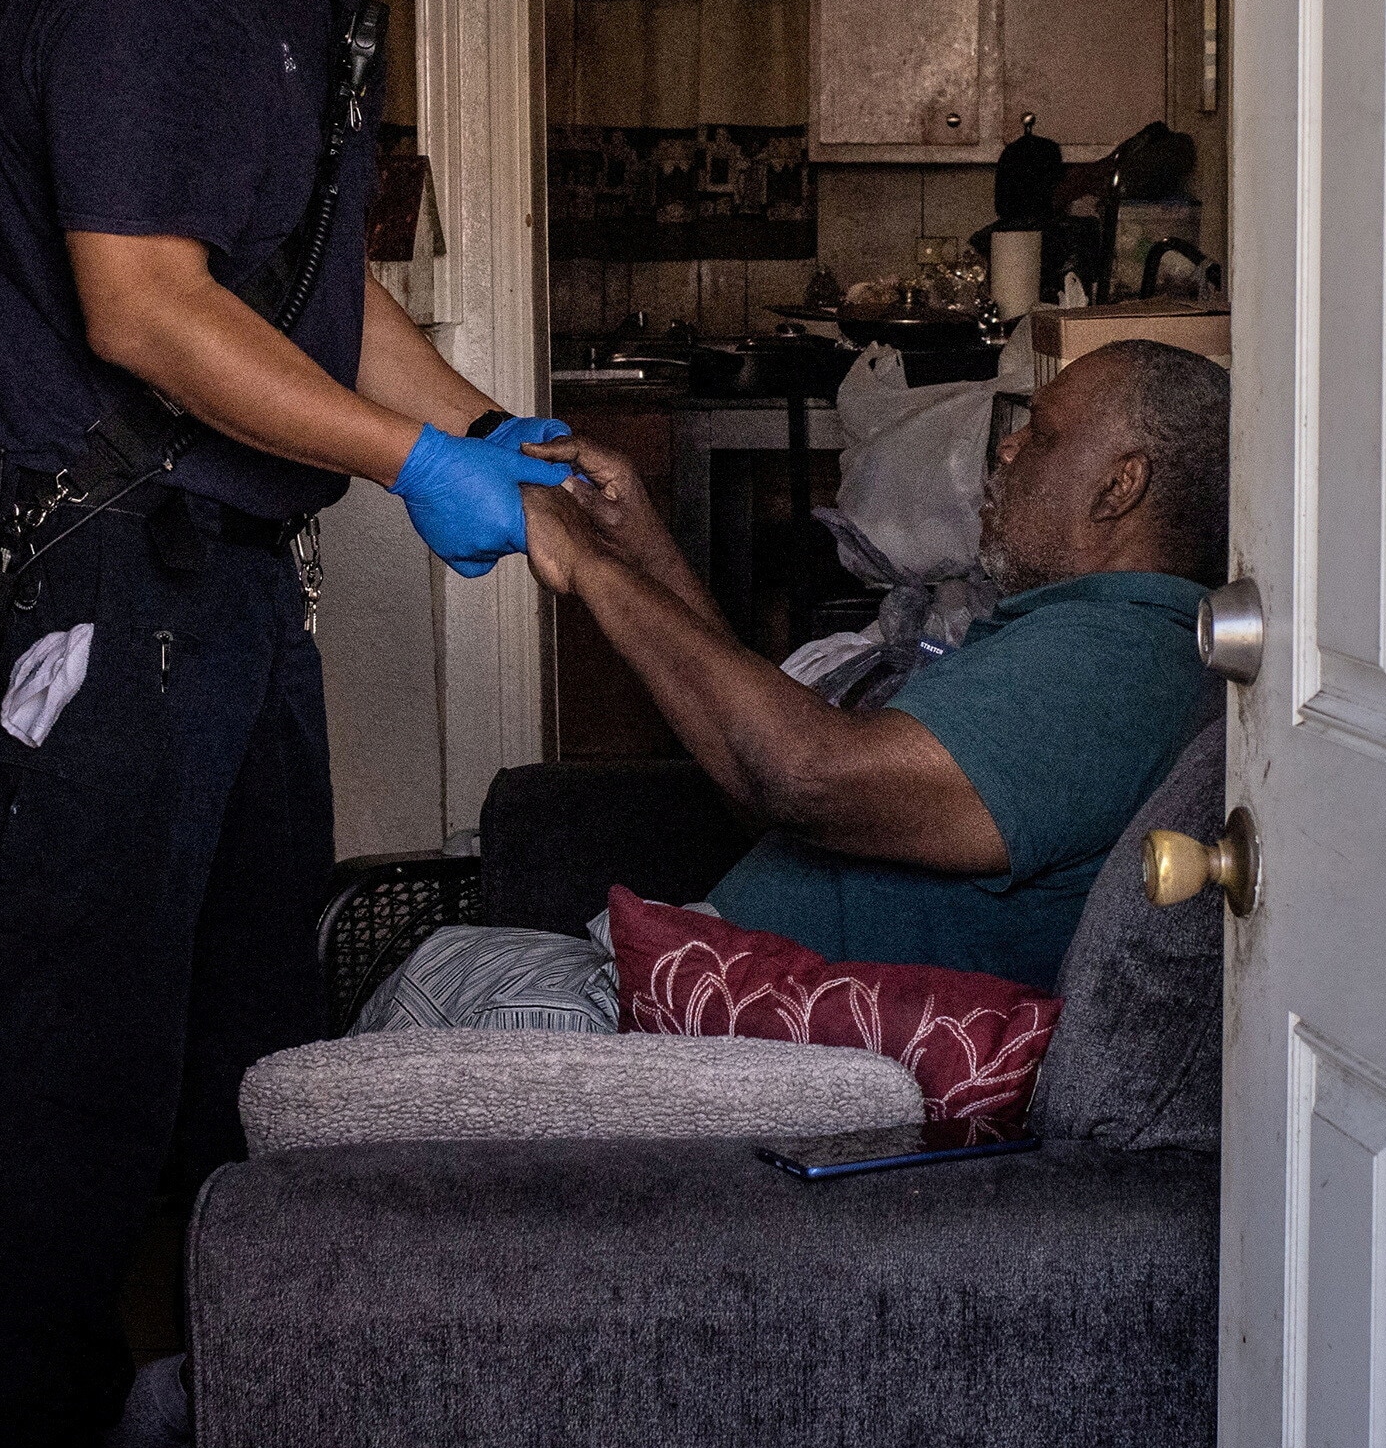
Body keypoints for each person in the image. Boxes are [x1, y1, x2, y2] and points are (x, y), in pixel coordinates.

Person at [0, 0, 572, 1448]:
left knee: (244, 1037)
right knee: (79, 1056)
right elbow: (146, 309)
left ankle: (206, 1430)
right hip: (95, 584)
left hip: (223, 594)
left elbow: (303, 299)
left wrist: (487, 426)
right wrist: (409, 471)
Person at [523, 339, 1228, 987]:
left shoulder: (1109, 664)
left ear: (1119, 486)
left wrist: (586, 564)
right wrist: (640, 550)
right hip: (709, 984)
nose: (1007, 450)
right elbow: (774, 782)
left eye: (1040, 433)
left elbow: (803, 777)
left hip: (739, 1036)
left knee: (434, 989)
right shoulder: (1092, 636)